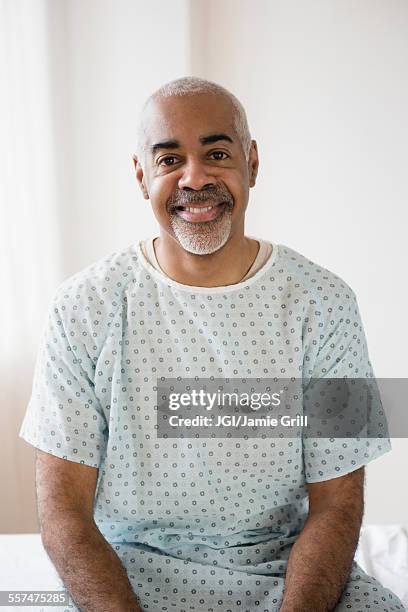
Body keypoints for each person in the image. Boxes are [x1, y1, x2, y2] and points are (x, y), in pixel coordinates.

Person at [19, 76, 405, 612]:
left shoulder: (327, 303)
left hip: (288, 571)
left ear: (252, 161)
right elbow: (63, 513)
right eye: (169, 159)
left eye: (216, 153)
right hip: (124, 573)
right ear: (141, 175)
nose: (193, 178)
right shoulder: (81, 307)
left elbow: (337, 503)